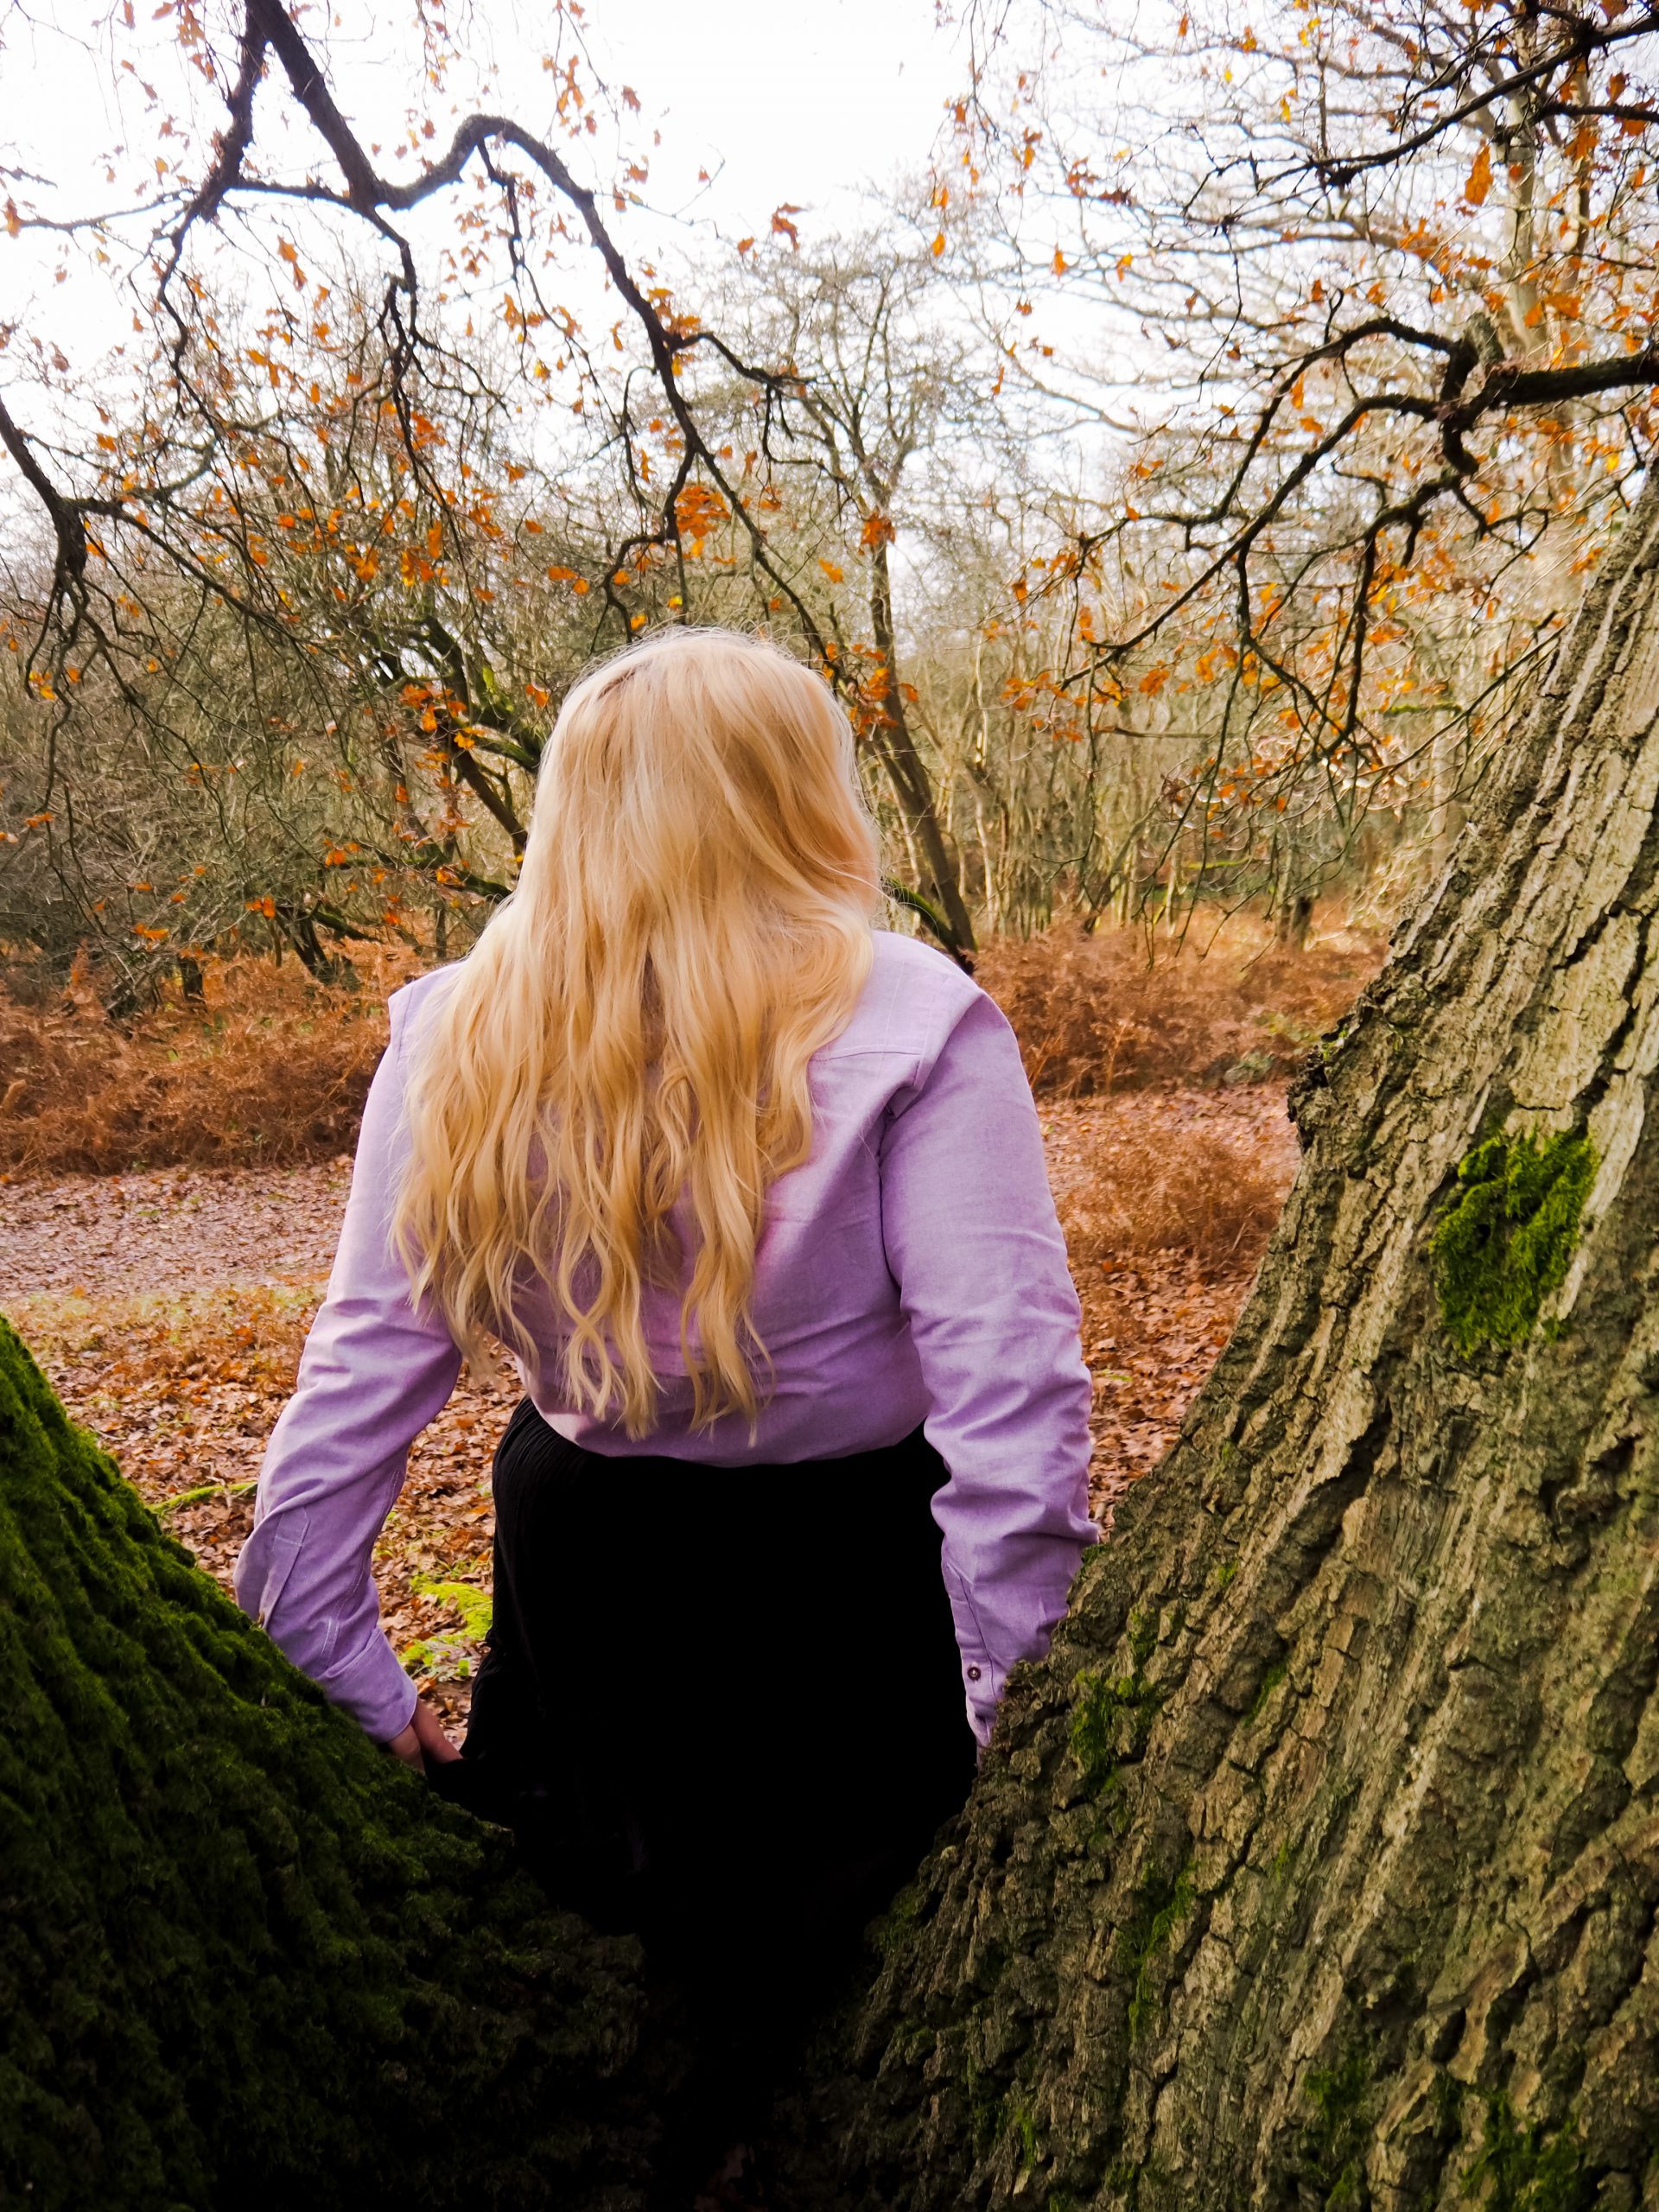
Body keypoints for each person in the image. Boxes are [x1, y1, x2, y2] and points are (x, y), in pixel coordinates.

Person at [234, 625, 1096, 2191]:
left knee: (623, 1965)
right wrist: (1014, 1714)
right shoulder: (914, 1014)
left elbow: (359, 1377)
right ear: (802, 798)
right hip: (840, 1585)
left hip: (598, 1561)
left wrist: (343, 1668)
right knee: (800, 1985)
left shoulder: (457, 1029)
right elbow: (1013, 1412)